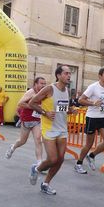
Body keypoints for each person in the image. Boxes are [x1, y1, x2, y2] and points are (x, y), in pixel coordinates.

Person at [28, 66, 73, 195]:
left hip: (62, 129)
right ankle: (36, 168)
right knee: (53, 159)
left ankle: (45, 183)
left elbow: (62, 107)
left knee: (60, 159)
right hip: (49, 129)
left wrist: (70, 110)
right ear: (58, 75)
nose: (69, 76)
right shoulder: (49, 89)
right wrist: (44, 113)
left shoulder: (67, 90)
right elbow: (32, 102)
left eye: (70, 73)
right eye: (66, 73)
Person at [74, 68, 104, 174]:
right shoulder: (93, 87)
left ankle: (92, 155)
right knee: (89, 144)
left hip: (103, 117)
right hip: (92, 117)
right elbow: (80, 100)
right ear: (100, 76)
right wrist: (93, 103)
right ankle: (79, 163)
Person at [5, 77, 46, 168]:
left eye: (44, 84)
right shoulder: (30, 93)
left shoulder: (44, 93)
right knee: (22, 141)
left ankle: (39, 163)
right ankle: (13, 147)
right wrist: (34, 107)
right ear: (35, 84)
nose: (43, 85)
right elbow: (20, 104)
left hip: (37, 120)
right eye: (41, 83)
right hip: (26, 119)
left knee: (38, 140)